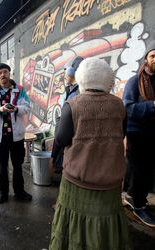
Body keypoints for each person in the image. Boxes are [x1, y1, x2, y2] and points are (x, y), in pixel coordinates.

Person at [49, 58, 131, 249]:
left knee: (74, 227)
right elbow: (122, 134)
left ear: (81, 78)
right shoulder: (119, 106)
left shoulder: (73, 105)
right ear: (107, 80)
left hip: (77, 183)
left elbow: (61, 140)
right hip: (110, 184)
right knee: (106, 228)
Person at [0, 63, 32, 204]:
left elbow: (27, 107)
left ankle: (19, 191)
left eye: (5, 72)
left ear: (9, 73)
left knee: (18, 166)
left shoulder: (20, 90)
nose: (3, 75)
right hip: (0, 137)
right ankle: (2, 193)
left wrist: (15, 109)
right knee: (1, 168)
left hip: (16, 136)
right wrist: (0, 109)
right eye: (0, 73)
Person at [122, 40, 155, 227]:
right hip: (137, 133)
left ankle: (135, 197)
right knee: (140, 170)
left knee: (148, 170)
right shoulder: (135, 82)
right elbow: (128, 108)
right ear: (146, 59)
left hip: (152, 133)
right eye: (153, 55)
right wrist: (152, 106)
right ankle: (138, 204)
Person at [51, 66, 80, 174]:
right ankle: (58, 165)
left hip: (70, 121)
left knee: (62, 142)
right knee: (59, 142)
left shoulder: (78, 90)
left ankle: (59, 166)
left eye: (66, 75)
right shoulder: (71, 88)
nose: (65, 77)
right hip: (64, 119)